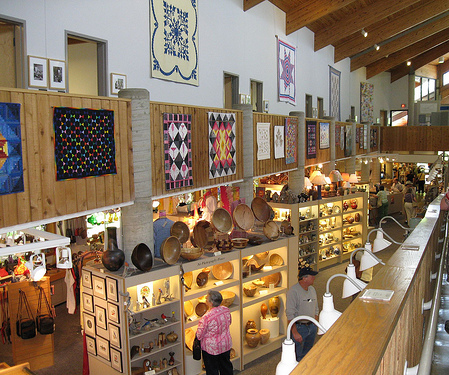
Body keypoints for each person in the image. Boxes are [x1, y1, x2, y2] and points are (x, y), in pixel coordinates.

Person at [286, 266, 319, 361]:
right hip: (300, 328)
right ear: (304, 278)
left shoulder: (312, 289)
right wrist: (295, 332)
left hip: (311, 326)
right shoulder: (293, 292)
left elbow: (316, 307)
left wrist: (315, 322)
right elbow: (290, 313)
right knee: (297, 356)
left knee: (308, 354)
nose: (314, 278)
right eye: (311, 276)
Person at [196, 290, 233, 375]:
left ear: (211, 303)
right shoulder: (226, 310)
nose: (206, 301)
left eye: (207, 299)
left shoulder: (206, 317)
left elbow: (199, 335)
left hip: (211, 349)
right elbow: (229, 322)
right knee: (226, 367)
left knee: (212, 370)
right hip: (225, 345)